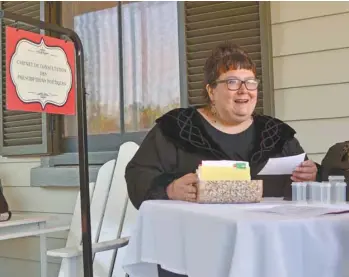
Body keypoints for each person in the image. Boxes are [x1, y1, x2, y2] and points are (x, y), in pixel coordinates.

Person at [125, 41, 321, 277]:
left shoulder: (275, 133)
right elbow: (138, 174)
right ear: (210, 91)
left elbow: (306, 182)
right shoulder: (177, 128)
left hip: (266, 255)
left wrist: (312, 174)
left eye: (250, 82)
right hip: (192, 255)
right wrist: (170, 188)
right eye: (232, 82)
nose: (243, 90)